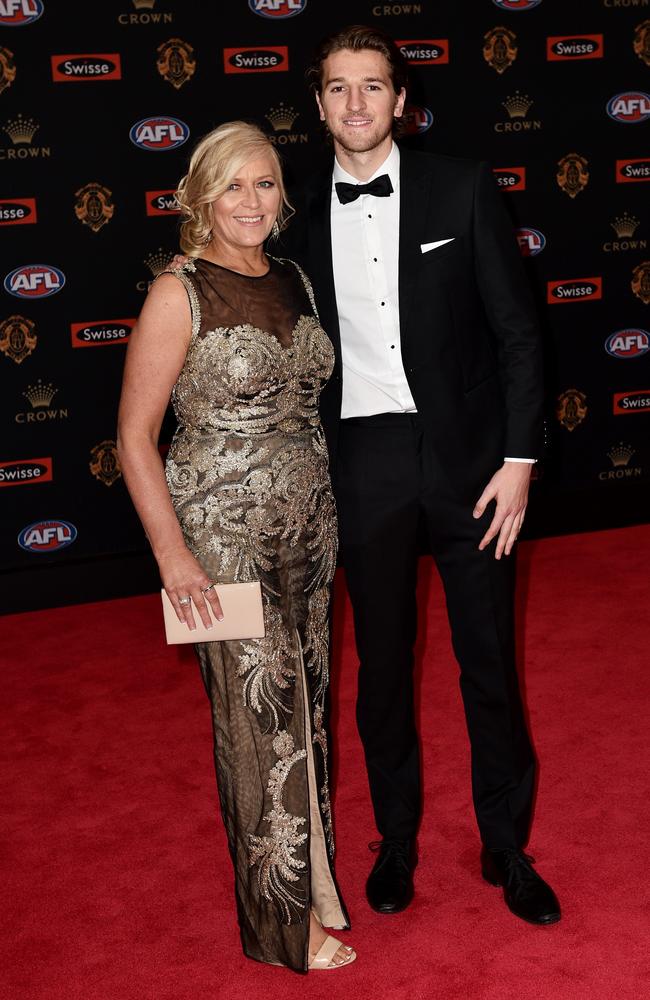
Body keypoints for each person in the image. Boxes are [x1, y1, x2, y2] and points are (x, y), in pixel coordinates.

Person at [282, 25, 561, 925]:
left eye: (373, 87)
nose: (355, 104)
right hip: (363, 459)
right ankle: (396, 836)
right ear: (318, 102)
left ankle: (507, 845)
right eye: (337, 88)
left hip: (473, 462)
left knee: (488, 656)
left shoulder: (463, 187)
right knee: (383, 663)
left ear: (401, 101)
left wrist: (518, 463)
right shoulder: (288, 211)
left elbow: (520, 336)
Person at [116, 121, 356, 972]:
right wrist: (173, 558)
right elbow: (135, 438)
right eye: (232, 186)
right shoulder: (177, 292)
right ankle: (278, 931)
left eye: (264, 184)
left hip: (309, 532)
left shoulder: (292, 278)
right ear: (200, 197)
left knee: (309, 715)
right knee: (258, 722)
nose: (251, 202)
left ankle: (317, 890)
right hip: (218, 536)